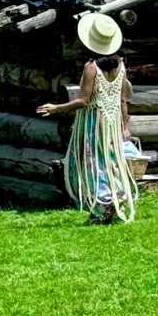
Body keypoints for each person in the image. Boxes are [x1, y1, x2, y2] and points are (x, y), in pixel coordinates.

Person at [37, 12, 141, 224]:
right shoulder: (120, 64)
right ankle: (115, 198)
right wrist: (125, 126)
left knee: (93, 163)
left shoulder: (91, 67)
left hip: (94, 122)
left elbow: (84, 100)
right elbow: (122, 99)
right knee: (111, 161)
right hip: (112, 124)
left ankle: (102, 207)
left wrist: (56, 108)